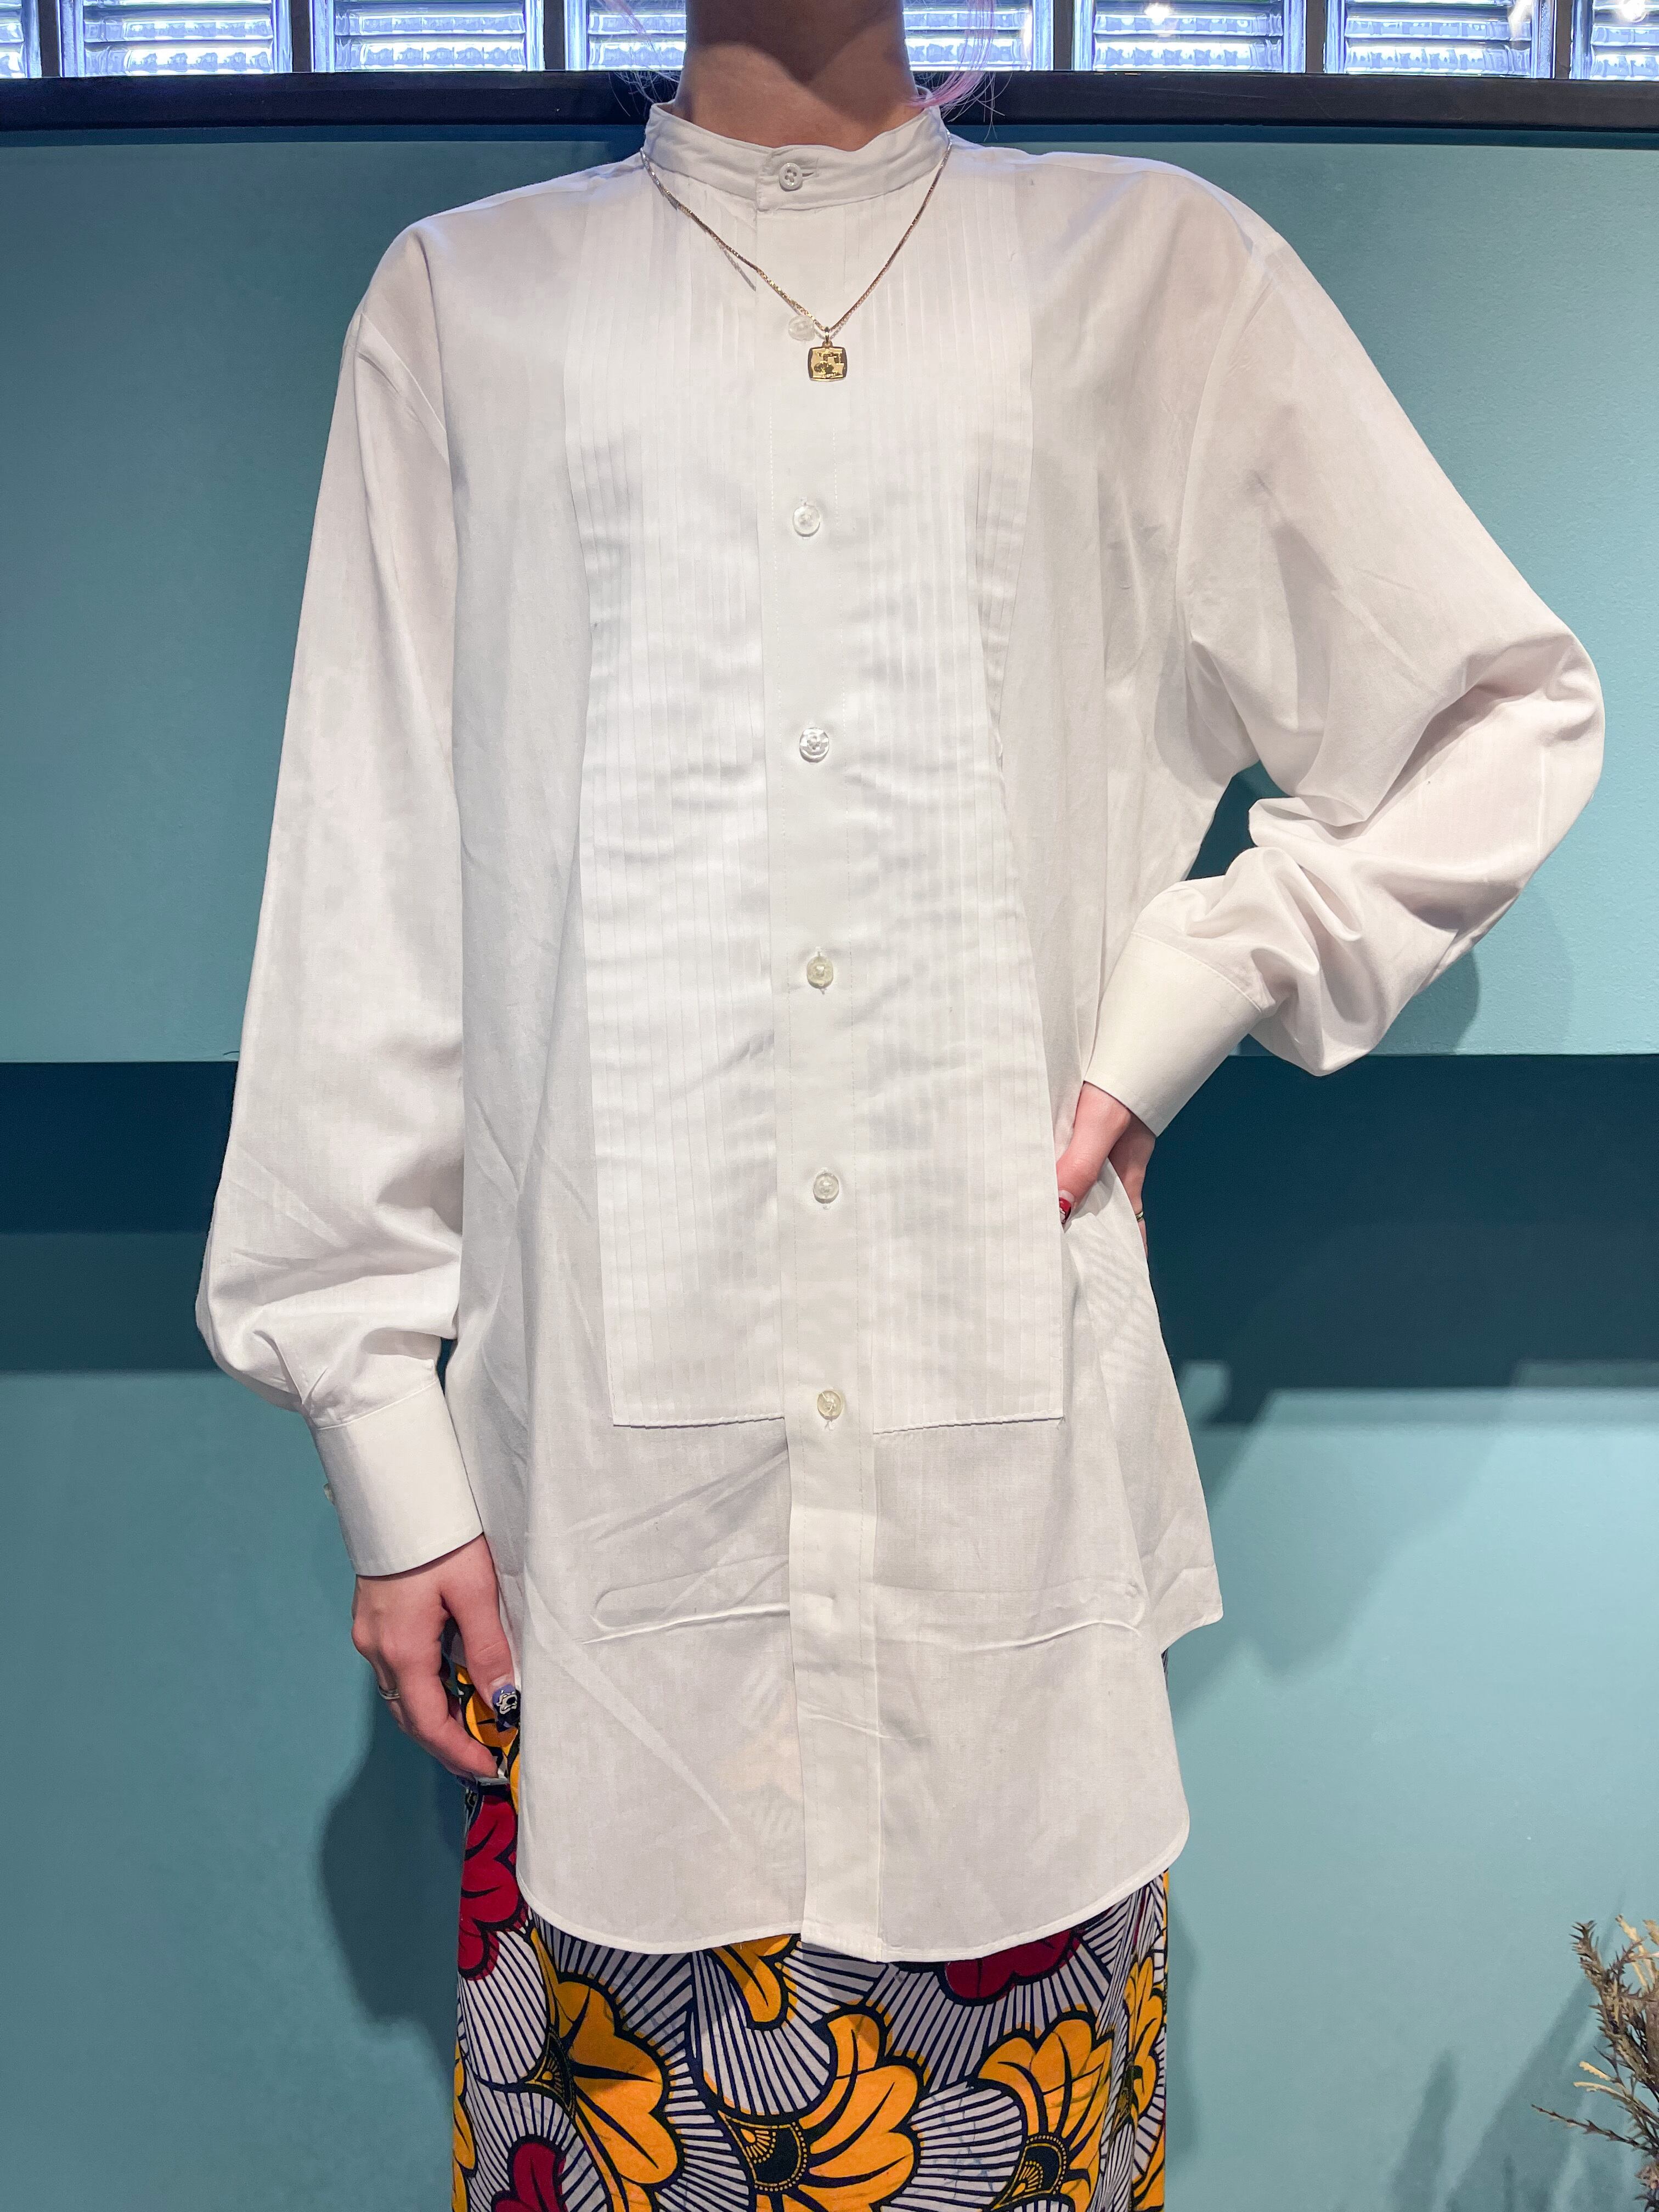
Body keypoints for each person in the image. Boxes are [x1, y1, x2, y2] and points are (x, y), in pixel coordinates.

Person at [195, 2, 1603, 2203]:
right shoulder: (469, 309)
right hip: (606, 1577)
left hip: (999, 1585)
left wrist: (1197, 979)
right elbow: (367, 883)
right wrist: (380, 1433)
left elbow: (1496, 715)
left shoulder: (1154, 276)